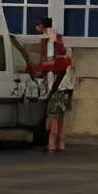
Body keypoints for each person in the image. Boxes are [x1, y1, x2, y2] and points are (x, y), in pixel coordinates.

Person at [30, 14, 73, 153]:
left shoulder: (49, 40)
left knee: (53, 114)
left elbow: (49, 63)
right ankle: (60, 143)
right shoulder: (58, 38)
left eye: (38, 26)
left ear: (43, 26)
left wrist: (36, 70)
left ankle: (51, 145)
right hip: (67, 84)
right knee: (60, 115)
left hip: (58, 85)